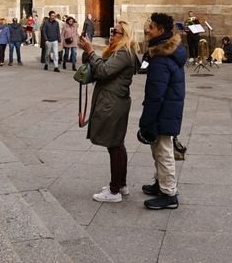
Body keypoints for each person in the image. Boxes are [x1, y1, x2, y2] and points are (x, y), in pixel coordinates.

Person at [79, 21, 140, 203]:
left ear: (125, 35)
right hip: (113, 101)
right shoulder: (116, 51)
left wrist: (91, 51)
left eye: (115, 32)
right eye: (111, 30)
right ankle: (120, 184)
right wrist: (87, 51)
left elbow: (104, 71)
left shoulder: (123, 53)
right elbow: (96, 68)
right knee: (116, 144)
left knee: (114, 145)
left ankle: (114, 191)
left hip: (113, 103)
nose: (111, 34)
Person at [137, 12, 187, 210]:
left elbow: (156, 94)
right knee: (158, 150)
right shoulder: (163, 52)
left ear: (160, 30)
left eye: (151, 26)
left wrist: (147, 121)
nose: (147, 29)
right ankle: (161, 183)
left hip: (163, 111)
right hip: (167, 109)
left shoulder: (161, 58)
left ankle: (169, 194)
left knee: (164, 152)